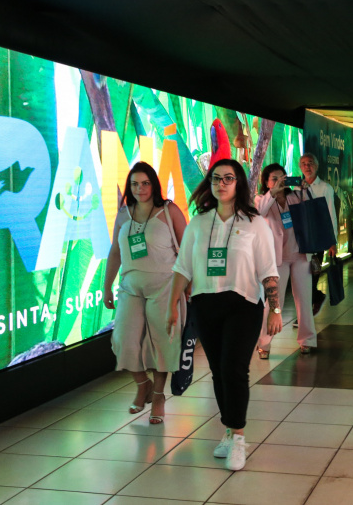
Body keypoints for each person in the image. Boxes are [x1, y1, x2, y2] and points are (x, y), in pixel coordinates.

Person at [167, 159, 280, 471]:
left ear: (239, 183)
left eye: (229, 178)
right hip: (206, 304)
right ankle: (229, 431)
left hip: (243, 305)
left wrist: (275, 309)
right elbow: (183, 268)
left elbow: (269, 271)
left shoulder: (256, 223)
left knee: (234, 369)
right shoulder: (199, 223)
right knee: (218, 371)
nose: (222, 183)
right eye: (216, 178)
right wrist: (171, 307)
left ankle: (240, 437)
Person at [103, 162, 188, 425]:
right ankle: (143, 385)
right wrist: (106, 285)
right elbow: (115, 252)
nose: (140, 189)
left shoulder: (168, 210)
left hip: (165, 285)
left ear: (154, 185)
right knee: (123, 340)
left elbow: (186, 251)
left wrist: (190, 288)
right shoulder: (123, 214)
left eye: (145, 183)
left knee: (163, 343)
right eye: (135, 184)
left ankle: (159, 396)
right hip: (130, 286)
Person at [255, 164, 315, 356]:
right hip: (276, 259)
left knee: (304, 299)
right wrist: (272, 193)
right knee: (274, 302)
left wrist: (305, 189)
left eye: (283, 178)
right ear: (266, 181)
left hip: (299, 254)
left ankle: (307, 339)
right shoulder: (261, 199)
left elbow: (308, 212)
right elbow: (258, 214)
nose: (280, 182)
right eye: (274, 178)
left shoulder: (294, 196)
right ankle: (264, 343)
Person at [299, 153, 337, 315]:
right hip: (300, 239)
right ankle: (316, 297)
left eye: (310, 163)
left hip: (317, 240)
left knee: (313, 275)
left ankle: (306, 313)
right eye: (304, 164)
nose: (307, 166)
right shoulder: (296, 188)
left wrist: (332, 241)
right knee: (301, 277)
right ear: (300, 167)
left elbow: (331, 214)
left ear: (316, 166)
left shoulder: (325, 188)